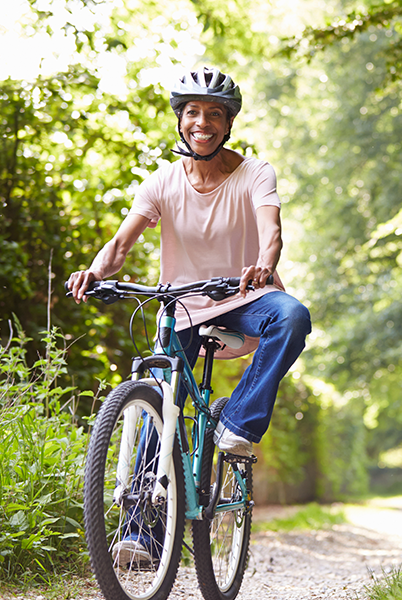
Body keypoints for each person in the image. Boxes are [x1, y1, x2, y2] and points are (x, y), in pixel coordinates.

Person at [67, 66, 311, 565]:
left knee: (292, 316)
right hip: (182, 306)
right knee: (161, 403)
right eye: (193, 112)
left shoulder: (255, 173)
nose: (203, 122)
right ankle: (141, 534)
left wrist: (265, 265)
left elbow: (272, 231)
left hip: (244, 296)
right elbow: (120, 245)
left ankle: (237, 426)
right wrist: (94, 271)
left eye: (214, 114)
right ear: (180, 121)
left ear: (228, 124)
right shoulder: (161, 182)